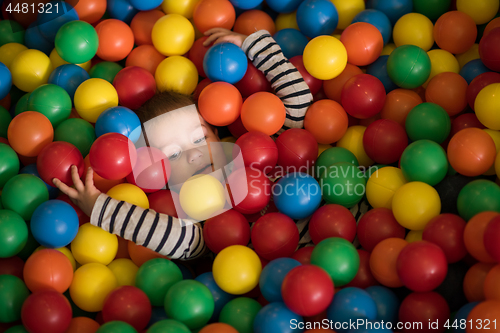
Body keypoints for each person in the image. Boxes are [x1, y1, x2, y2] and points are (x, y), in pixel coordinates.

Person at [53, 28, 319, 260]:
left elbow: (297, 104)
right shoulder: (200, 223)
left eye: (200, 138)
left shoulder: (262, 153)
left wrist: (253, 45)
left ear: (216, 132)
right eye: (174, 154)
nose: (194, 155)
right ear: (160, 176)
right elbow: (163, 234)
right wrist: (99, 206)